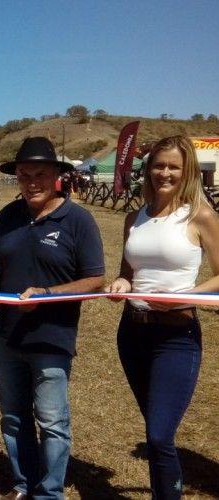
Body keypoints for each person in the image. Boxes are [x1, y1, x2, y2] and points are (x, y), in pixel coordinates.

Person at [0, 137, 105, 500]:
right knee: (13, 417)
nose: (31, 182)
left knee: (52, 421)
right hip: (8, 337)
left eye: (40, 174)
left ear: (57, 175)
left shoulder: (78, 220)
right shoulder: (9, 215)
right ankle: (23, 485)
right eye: (24, 175)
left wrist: (47, 294)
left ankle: (50, 492)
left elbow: (95, 279)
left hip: (52, 339)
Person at [107, 135, 219, 500]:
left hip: (177, 337)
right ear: (148, 168)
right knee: (155, 435)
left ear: (187, 170)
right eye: (158, 165)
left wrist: (185, 296)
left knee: (159, 435)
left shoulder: (200, 215)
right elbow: (128, 270)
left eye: (174, 166)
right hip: (132, 334)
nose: (165, 173)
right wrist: (121, 281)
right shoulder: (133, 217)